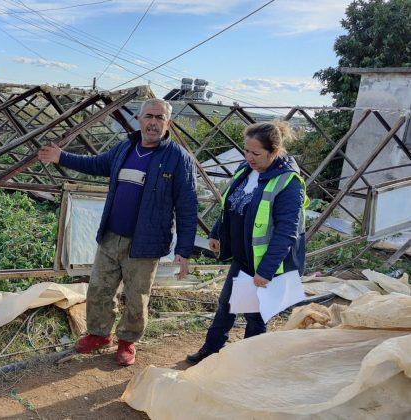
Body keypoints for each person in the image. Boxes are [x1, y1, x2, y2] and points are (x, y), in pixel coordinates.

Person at [38, 98, 198, 366]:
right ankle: (100, 334)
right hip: (111, 235)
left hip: (146, 243)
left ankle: (127, 341)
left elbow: (187, 206)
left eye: (160, 118)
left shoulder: (178, 158)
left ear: (168, 123)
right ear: (139, 118)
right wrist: (61, 157)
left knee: (137, 297)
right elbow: (98, 164)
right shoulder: (126, 147)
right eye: (149, 116)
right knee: (100, 289)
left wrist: (184, 251)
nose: (154, 122)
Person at [186, 121, 308, 365]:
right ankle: (212, 350)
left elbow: (287, 231)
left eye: (256, 153)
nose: (249, 157)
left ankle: (250, 363)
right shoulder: (246, 170)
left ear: (274, 152)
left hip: (264, 262)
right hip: (244, 256)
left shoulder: (288, 183)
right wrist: (216, 232)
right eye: (246, 151)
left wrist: (266, 270)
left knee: (255, 315)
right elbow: (230, 205)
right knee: (228, 304)